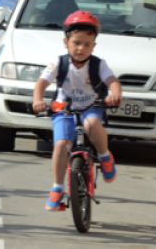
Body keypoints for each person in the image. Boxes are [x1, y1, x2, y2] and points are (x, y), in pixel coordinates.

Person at [32, 11, 122, 211]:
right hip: (64, 110)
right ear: (66, 43)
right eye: (76, 43)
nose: (81, 48)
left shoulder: (98, 64)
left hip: (91, 107)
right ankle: (57, 187)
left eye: (87, 44)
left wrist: (114, 94)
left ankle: (105, 156)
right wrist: (38, 99)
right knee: (62, 144)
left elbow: (112, 81)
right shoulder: (60, 62)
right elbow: (42, 83)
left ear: (94, 46)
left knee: (91, 124)